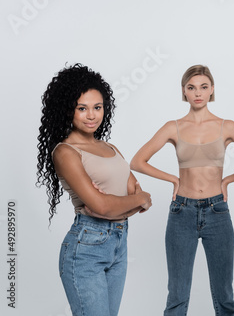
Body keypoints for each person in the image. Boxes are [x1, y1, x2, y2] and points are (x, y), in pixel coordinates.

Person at [130, 64, 234, 316]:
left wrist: (227, 181)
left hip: (217, 212)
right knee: (177, 296)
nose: (198, 93)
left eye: (203, 87)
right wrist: (172, 178)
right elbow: (137, 161)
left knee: (224, 296)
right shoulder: (173, 127)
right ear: (184, 92)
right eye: (191, 88)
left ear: (212, 90)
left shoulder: (227, 126)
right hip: (182, 212)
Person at [36, 64, 152, 316]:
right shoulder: (66, 152)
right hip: (86, 249)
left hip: (119, 244)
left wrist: (131, 200)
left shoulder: (111, 149)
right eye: (82, 108)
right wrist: (133, 199)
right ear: (69, 110)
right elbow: (102, 207)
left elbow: (132, 198)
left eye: (97, 107)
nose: (91, 115)